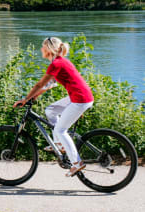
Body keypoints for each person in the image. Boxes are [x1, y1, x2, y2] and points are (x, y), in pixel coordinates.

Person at [13, 37, 94, 177]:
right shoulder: (59, 62)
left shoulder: (56, 64)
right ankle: (59, 144)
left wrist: (26, 99)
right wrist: (34, 96)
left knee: (61, 129)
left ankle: (76, 163)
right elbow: (50, 84)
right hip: (79, 96)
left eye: (42, 47)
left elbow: (39, 84)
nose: (40, 49)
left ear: (48, 49)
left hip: (80, 99)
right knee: (50, 110)